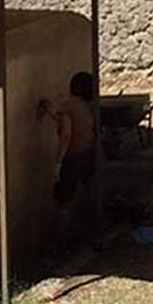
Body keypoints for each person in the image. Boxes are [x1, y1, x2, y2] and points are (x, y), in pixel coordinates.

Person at [39, 71, 96, 205]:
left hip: (73, 157)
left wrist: (58, 162)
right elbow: (70, 121)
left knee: (63, 202)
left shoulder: (69, 105)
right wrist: (52, 112)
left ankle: (63, 226)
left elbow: (66, 134)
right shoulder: (87, 106)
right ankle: (95, 222)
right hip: (88, 154)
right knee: (90, 195)